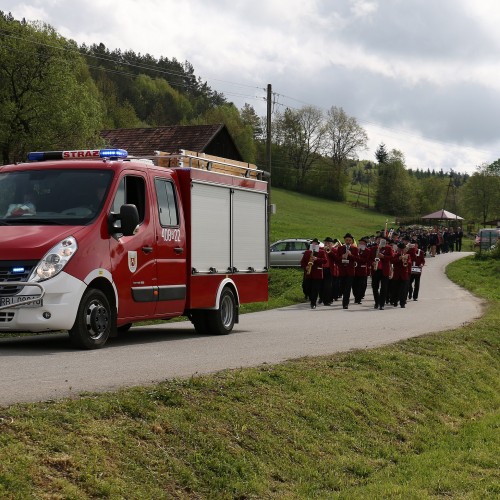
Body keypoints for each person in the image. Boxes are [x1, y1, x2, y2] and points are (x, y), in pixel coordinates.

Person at [300, 238, 327, 309]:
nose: (314, 245)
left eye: (316, 244)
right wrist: (305, 267)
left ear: (318, 245)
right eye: (313, 244)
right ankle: (310, 297)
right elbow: (302, 262)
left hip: (317, 273)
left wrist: (317, 259)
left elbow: (325, 261)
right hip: (309, 273)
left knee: (315, 289)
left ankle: (313, 303)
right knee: (307, 287)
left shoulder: (321, 252)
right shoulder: (307, 252)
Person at [335, 233, 358, 309]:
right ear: (344, 240)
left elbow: (357, 259)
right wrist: (342, 256)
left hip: (350, 271)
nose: (348, 241)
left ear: (351, 241)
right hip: (342, 271)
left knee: (348, 288)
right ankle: (342, 298)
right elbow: (337, 259)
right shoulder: (340, 248)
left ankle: (345, 303)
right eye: (346, 240)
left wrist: (350, 255)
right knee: (342, 287)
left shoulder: (355, 249)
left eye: (349, 240)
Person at [370, 235, 394, 310]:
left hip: (384, 270)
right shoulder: (373, 248)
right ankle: (377, 302)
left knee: (384, 288)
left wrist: (383, 256)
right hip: (375, 270)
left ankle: (382, 304)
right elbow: (369, 259)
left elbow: (392, 258)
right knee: (375, 287)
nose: (380, 241)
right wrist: (372, 263)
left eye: (382, 240)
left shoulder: (388, 248)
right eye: (378, 240)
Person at [391, 242, 412, 308]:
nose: (401, 251)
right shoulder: (395, 255)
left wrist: (405, 260)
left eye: (402, 249)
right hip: (396, 274)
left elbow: (409, 263)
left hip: (404, 274)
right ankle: (395, 301)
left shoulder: (407, 255)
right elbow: (392, 261)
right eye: (400, 249)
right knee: (395, 289)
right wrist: (399, 258)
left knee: (404, 290)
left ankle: (402, 303)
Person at [352, 237, 370, 304]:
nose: (361, 244)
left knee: (361, 285)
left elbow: (365, 260)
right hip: (355, 269)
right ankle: (356, 296)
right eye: (360, 243)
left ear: (365, 244)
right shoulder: (355, 250)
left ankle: (358, 298)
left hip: (362, 270)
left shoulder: (368, 251)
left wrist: (357, 257)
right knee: (354, 285)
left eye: (362, 243)